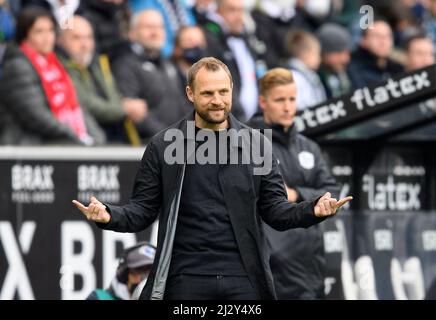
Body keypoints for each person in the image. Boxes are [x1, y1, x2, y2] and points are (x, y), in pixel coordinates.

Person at [72, 57, 352, 300]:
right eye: (207, 93)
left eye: (223, 91)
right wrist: (108, 216)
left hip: (244, 276)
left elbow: (275, 211)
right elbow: (142, 211)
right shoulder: (164, 145)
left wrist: (312, 210)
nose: (217, 101)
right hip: (185, 276)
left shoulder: (257, 144)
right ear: (190, 93)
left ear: (232, 90)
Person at [248, 68, 341, 299]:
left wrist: (296, 194)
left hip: (312, 264)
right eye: (280, 100)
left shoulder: (308, 146)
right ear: (263, 102)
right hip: (272, 266)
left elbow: (332, 191)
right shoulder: (249, 144)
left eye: (292, 99)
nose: (288, 107)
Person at [0, 7, 105, 145]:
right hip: (27, 148)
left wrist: (96, 139)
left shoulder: (57, 65)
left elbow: (77, 106)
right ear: (25, 34)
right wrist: (76, 137)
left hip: (60, 142)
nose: (47, 37)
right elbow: (35, 116)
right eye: (39, 31)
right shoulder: (16, 66)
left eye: (50, 30)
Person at [57, 15, 141, 145]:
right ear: (61, 41)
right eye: (76, 38)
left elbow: (114, 96)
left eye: (89, 37)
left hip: (115, 136)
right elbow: (85, 102)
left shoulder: (97, 63)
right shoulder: (59, 67)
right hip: (89, 141)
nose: (84, 44)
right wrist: (123, 110)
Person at [87, 242, 156, 300]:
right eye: (139, 271)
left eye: (150, 273)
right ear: (124, 275)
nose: (145, 279)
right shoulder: (99, 298)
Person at [348, 18, 404, 89]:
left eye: (387, 36)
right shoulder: (352, 68)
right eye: (377, 36)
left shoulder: (397, 68)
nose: (383, 42)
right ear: (363, 41)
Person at [285, 30, 326, 110]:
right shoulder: (295, 78)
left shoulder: (310, 75)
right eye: (317, 54)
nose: (319, 59)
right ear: (306, 54)